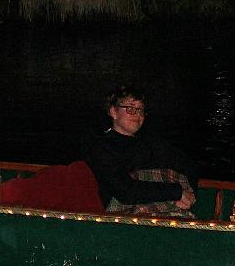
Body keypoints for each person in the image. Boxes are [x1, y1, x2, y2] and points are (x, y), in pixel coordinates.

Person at [83, 85, 199, 216]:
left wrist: (189, 194)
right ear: (113, 112)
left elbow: (188, 166)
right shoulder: (101, 148)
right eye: (130, 108)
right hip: (122, 216)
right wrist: (177, 193)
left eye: (140, 110)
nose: (137, 114)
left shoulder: (152, 143)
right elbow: (125, 191)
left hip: (164, 209)